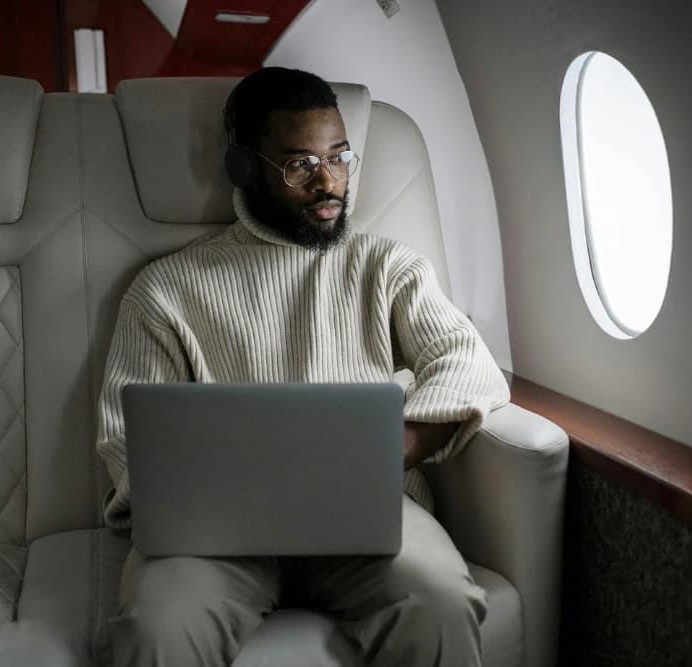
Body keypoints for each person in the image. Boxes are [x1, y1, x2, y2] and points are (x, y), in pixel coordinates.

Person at [95, 67, 510, 666]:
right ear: (244, 169)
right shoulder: (165, 290)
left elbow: (468, 363)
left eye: (339, 158)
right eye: (300, 164)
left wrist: (394, 447)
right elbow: (124, 441)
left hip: (367, 514)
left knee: (441, 601)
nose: (329, 183)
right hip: (215, 535)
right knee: (159, 627)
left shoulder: (388, 267)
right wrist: (207, 495)